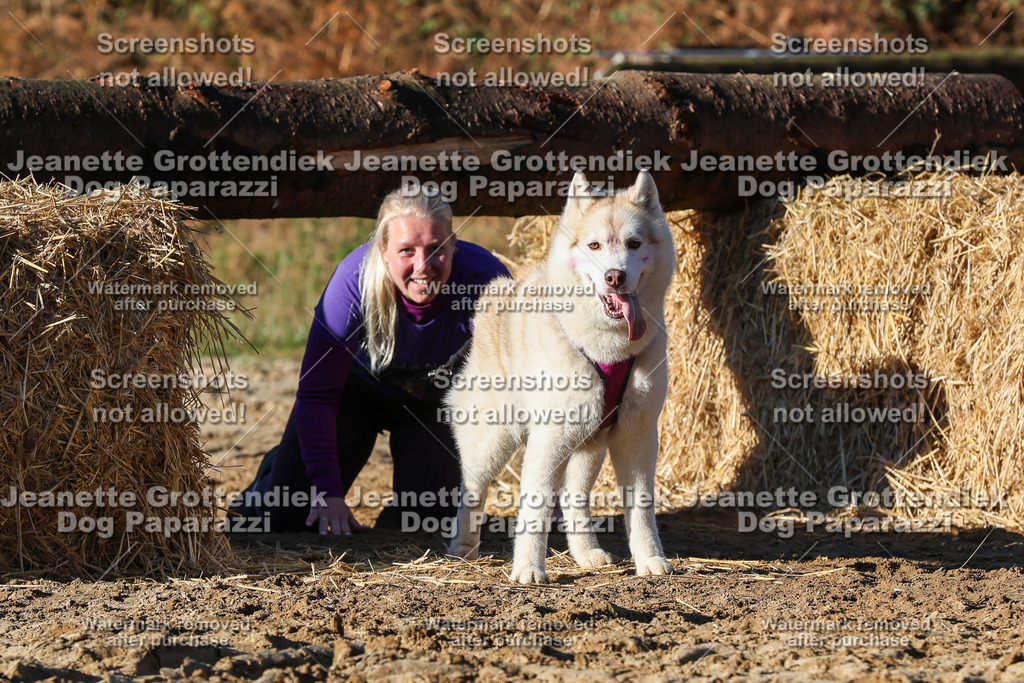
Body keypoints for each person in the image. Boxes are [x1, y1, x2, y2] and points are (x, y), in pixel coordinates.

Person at [232, 187, 509, 535]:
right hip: (355, 397)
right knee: (289, 517)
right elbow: (316, 396)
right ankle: (272, 477)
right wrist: (326, 493)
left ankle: (401, 515)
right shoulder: (352, 282)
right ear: (383, 250)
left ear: (453, 244)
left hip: (433, 405)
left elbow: (523, 385)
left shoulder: (486, 281)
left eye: (436, 249)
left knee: (427, 524)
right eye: (406, 250)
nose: (423, 266)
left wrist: (551, 499)